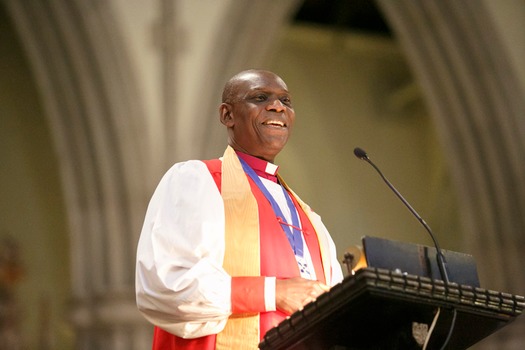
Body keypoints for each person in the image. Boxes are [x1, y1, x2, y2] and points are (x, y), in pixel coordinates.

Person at [135, 69, 344, 349]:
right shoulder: (198, 181)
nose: (277, 106)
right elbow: (167, 287)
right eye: (260, 97)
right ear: (227, 116)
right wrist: (273, 292)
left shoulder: (311, 220)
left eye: (286, 101)